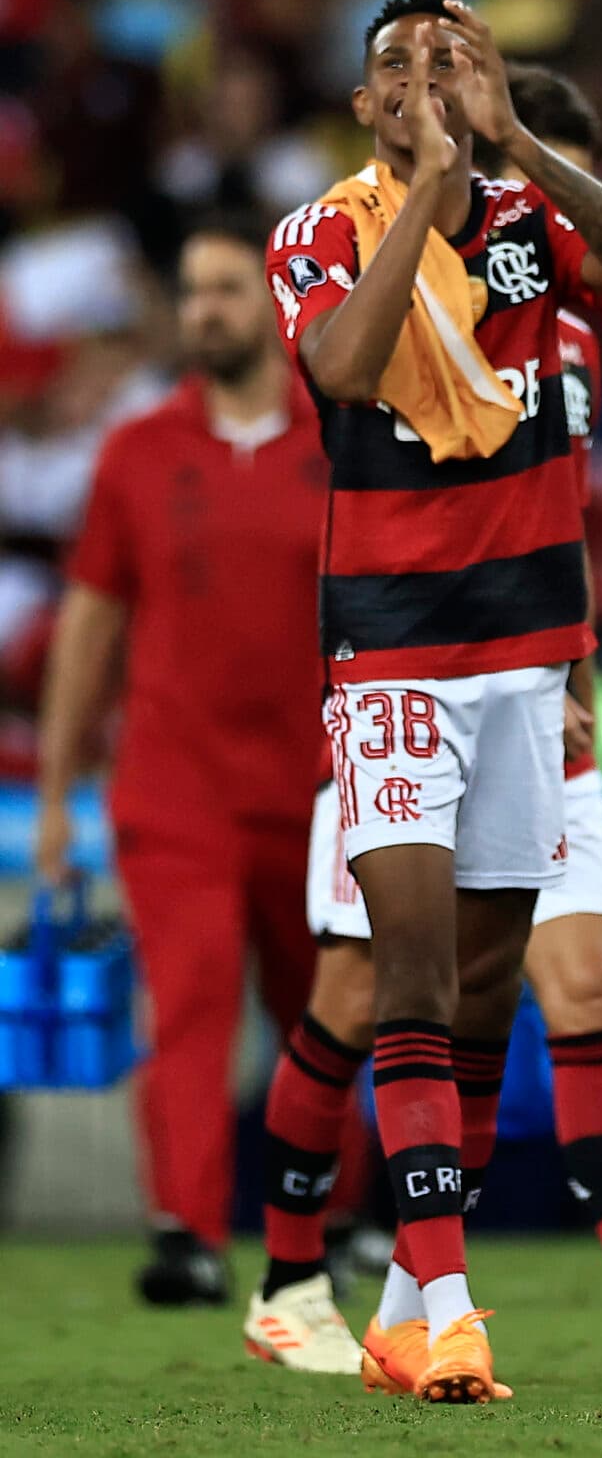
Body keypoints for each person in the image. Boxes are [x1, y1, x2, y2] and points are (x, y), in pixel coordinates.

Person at [246, 65, 602, 1381]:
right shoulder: (372, 270)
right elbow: (339, 382)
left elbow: (553, 521)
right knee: (362, 992)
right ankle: (292, 1275)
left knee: (576, 986)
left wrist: (582, 670)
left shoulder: (578, 343)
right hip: (399, 674)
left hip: (539, 692)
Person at [33, 215, 327, 1310]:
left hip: (317, 782)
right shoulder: (138, 452)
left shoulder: (339, 442)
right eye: (192, 291)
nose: (207, 309)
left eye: (228, 289)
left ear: (274, 306)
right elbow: (91, 625)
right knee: (192, 998)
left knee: (321, 1014)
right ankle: (187, 1231)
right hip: (177, 785)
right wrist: (60, 793)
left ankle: (326, 1222)